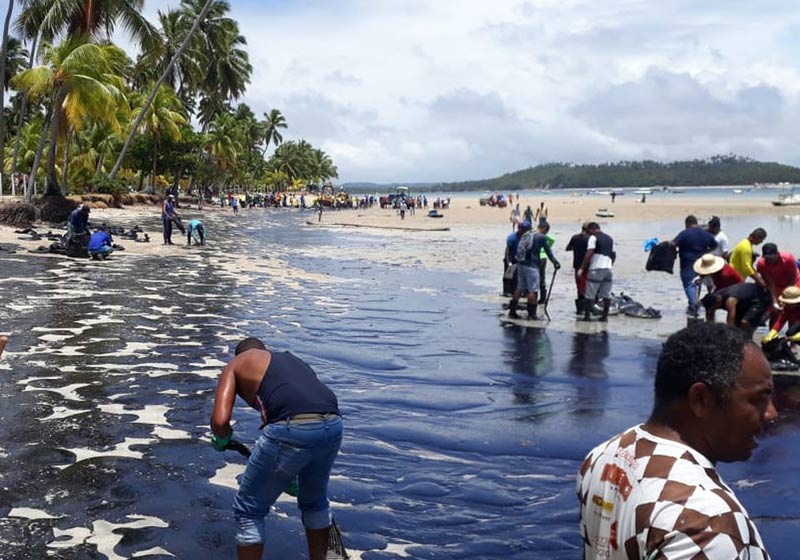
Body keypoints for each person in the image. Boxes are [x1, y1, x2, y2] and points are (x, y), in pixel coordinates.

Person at [578, 322, 774, 560]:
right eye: (757, 400)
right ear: (701, 399)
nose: (771, 414)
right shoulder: (707, 526)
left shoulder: (605, 455)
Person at [211, 338, 342, 560]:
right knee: (315, 503)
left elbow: (220, 421)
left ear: (239, 354)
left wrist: (222, 439)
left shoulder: (236, 364)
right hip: (333, 424)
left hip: (290, 429)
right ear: (266, 351)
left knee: (248, 510)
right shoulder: (291, 359)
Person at [509, 222, 560, 320]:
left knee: (520, 287)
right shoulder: (541, 237)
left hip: (521, 264)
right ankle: (532, 314)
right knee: (533, 290)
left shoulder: (527, 234)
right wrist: (555, 263)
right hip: (532, 266)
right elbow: (549, 252)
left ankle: (512, 311)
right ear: (545, 229)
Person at [671, 215, 717, 317]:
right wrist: (706, 252)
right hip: (701, 263)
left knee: (689, 284)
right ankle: (693, 304)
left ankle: (694, 305)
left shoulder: (685, 233)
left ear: (687, 224)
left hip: (687, 262)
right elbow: (715, 245)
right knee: (696, 284)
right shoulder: (705, 233)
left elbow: (673, 244)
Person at [577, 222, 614, 322]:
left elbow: (589, 254)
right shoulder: (609, 238)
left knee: (589, 294)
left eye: (588, 231)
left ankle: (587, 316)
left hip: (596, 269)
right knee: (607, 294)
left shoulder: (593, 238)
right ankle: (604, 317)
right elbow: (613, 254)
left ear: (592, 229)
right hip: (608, 269)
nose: (588, 233)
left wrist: (581, 269)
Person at [702, 282, 769, 336]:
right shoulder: (712, 300)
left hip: (758, 298)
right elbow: (710, 318)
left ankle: (748, 342)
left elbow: (730, 323)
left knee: (744, 323)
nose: (715, 309)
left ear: (718, 302)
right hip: (743, 302)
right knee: (737, 325)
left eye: (715, 308)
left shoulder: (730, 301)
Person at [756, 242, 798, 311]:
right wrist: (775, 302)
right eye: (767, 258)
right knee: (775, 310)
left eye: (771, 258)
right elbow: (770, 284)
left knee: (793, 307)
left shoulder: (788, 259)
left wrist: (786, 296)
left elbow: (792, 278)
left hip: (793, 283)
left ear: (777, 254)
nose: (769, 260)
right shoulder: (761, 264)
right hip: (776, 286)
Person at [566, 223, 590, 314]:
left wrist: (576, 247)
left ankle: (579, 309)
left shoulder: (575, 237)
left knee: (579, 287)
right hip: (587, 266)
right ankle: (588, 309)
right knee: (588, 287)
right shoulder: (590, 239)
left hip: (577, 265)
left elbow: (568, 248)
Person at [503, 221, 531, 297]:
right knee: (508, 275)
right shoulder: (512, 237)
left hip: (522, 258)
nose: (525, 231)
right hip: (511, 257)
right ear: (520, 229)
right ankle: (506, 291)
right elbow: (508, 251)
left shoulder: (528, 238)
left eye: (527, 229)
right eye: (524, 229)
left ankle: (519, 291)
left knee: (519, 277)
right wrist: (509, 262)